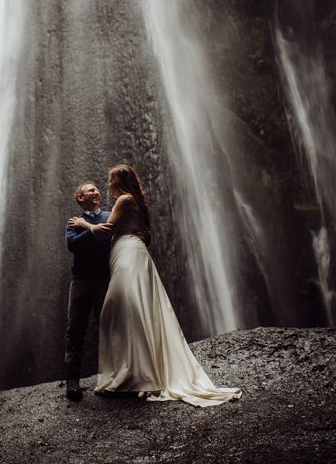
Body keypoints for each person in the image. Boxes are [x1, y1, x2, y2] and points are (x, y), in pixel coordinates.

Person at [83, 163, 242, 405]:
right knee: (136, 310)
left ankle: (132, 375)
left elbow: (107, 229)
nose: (108, 185)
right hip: (133, 253)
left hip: (128, 255)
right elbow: (145, 233)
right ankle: (137, 373)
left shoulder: (124, 199)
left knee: (119, 310)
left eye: (111, 180)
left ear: (119, 182)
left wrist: (84, 225)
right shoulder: (135, 201)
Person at [64, 180, 112, 401]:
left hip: (106, 279)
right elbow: (72, 245)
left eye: (97, 189)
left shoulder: (110, 216)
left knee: (110, 327)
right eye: (90, 189)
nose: (96, 191)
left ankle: (114, 377)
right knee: (75, 328)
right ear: (80, 198)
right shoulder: (74, 222)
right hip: (81, 280)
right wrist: (92, 231)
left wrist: (89, 227)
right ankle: (72, 381)